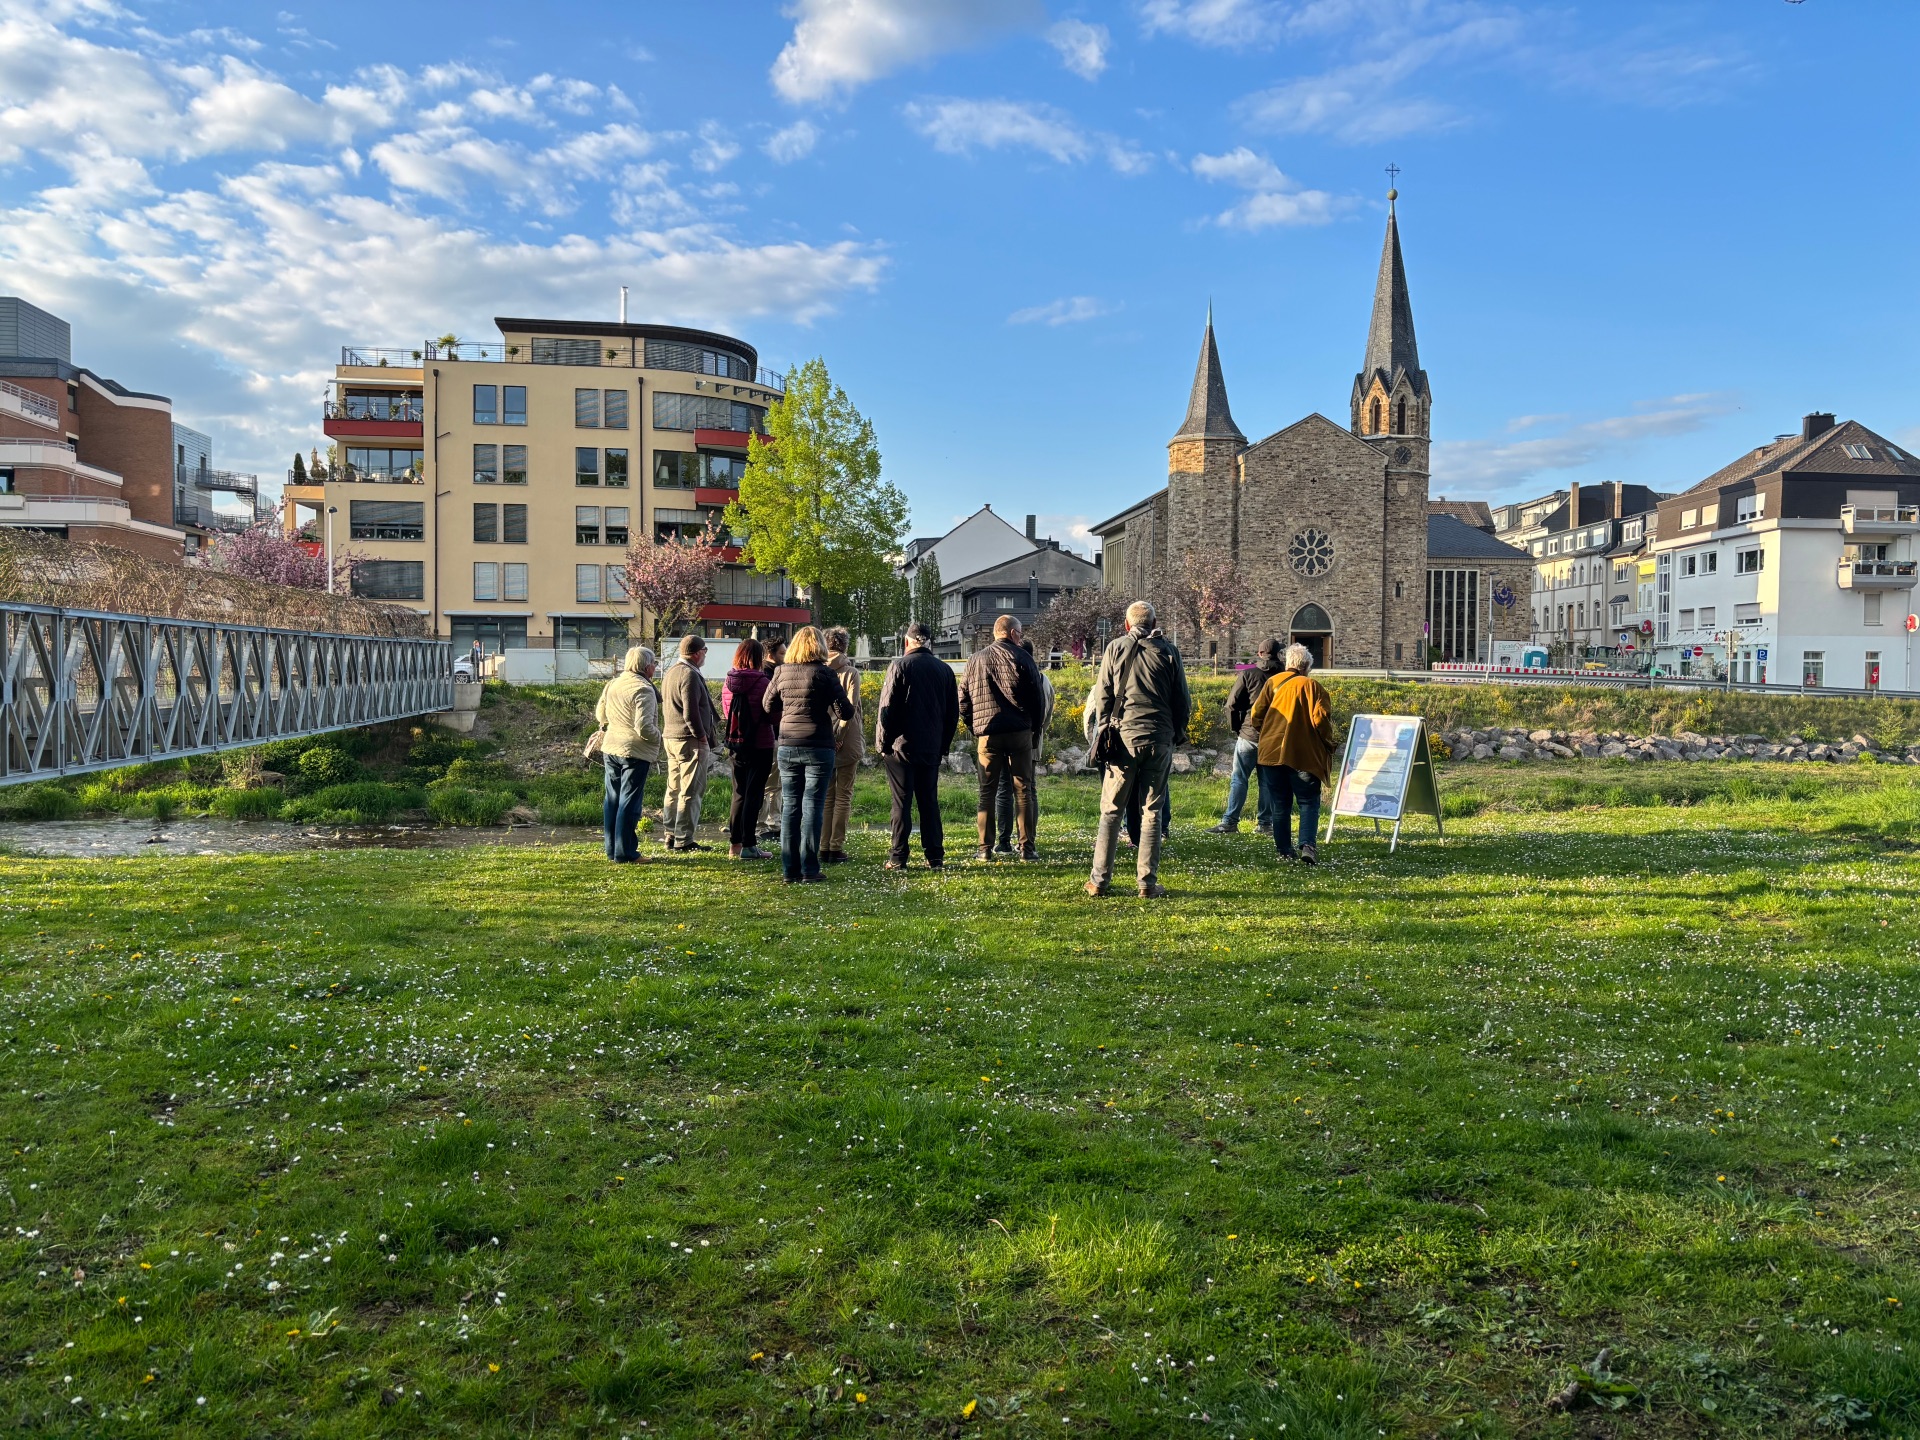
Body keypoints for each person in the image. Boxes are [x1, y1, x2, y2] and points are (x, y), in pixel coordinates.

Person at [1085, 600, 1190, 899]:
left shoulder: (1115, 648)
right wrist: (1175, 734)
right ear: (1156, 621)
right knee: (1152, 812)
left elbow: (1103, 695)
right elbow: (1182, 700)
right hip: (1158, 739)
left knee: (1111, 811)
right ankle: (1147, 882)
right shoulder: (1169, 652)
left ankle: (1099, 881)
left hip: (1123, 739)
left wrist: (1104, 730)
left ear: (1127, 625)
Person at [762, 625, 852, 883]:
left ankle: (789, 870)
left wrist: (788, 709)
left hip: (789, 743)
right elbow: (846, 711)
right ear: (820, 647)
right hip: (819, 745)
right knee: (813, 806)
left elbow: (768, 705)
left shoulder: (780, 671)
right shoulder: (825, 673)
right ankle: (809, 869)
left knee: (790, 806)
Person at [959, 614, 1047, 862]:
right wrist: (1034, 729)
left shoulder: (975, 659)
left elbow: (963, 699)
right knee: (1024, 790)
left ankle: (985, 849)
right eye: (1019, 632)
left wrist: (973, 726)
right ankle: (1027, 849)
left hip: (988, 732)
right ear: (1012, 633)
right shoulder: (1023, 658)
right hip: (1019, 732)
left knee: (987, 791)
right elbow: (1037, 699)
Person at [874, 620, 959, 870]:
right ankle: (935, 856)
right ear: (929, 642)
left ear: (907, 642)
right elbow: (952, 714)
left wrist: (883, 743)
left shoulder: (899, 665)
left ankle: (898, 857)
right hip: (930, 745)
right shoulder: (944, 670)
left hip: (901, 747)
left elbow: (886, 710)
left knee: (901, 803)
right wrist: (943, 745)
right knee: (928, 802)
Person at [1249, 642, 1336, 865]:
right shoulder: (1313, 687)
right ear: (1306, 666)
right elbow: (1321, 720)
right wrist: (1329, 743)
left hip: (1271, 753)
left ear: (1289, 664)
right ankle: (1307, 845)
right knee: (1308, 801)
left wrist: (1269, 732)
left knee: (1280, 803)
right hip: (1303, 754)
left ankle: (1284, 851)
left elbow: (1256, 715)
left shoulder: (1272, 683)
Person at [1208, 638, 1285, 835]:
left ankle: (1230, 821)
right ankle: (1265, 824)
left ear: (1259, 654)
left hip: (1249, 734)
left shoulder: (1248, 674)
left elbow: (1231, 705)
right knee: (1266, 782)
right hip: (1275, 736)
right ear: (1278, 654)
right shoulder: (1284, 676)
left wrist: (1237, 728)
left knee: (1239, 779)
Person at [593, 645, 659, 864]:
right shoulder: (644, 689)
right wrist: (660, 737)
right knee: (630, 803)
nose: (655, 667)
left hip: (611, 747)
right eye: (654, 663)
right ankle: (627, 852)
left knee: (612, 800)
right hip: (635, 750)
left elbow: (600, 714)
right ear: (646, 666)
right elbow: (644, 727)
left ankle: (612, 850)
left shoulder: (613, 683)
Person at [991, 638, 1055, 855]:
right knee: (1029, 789)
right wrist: (1038, 732)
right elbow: (1048, 714)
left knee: (1005, 789)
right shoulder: (1045, 680)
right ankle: (1027, 840)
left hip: (1014, 738)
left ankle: (1004, 840)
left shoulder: (1017, 676)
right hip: (1034, 741)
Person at [658, 633, 718, 852]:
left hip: (671, 737)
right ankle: (684, 839)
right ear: (696, 653)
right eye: (704, 651)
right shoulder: (690, 674)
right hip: (689, 739)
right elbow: (691, 712)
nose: (705, 656)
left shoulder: (671, 672)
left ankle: (670, 834)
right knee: (691, 791)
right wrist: (702, 736)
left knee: (674, 789)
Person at [721, 638, 775, 861]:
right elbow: (772, 714)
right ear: (758, 658)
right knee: (755, 794)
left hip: (736, 744)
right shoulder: (764, 683)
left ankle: (735, 844)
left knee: (739, 793)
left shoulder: (727, 683)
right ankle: (750, 846)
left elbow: (727, 713)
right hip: (761, 743)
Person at [820, 626, 866, 864]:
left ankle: (823, 844)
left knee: (827, 796)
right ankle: (835, 846)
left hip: (822, 738)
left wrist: (830, 736)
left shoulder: (817, 669)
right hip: (845, 740)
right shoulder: (850, 672)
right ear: (845, 646)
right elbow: (850, 708)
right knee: (844, 795)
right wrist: (838, 736)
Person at [756, 637, 788, 844]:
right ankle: (772, 823)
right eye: (782, 654)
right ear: (770, 654)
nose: (785, 658)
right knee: (773, 784)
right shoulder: (772, 675)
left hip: (764, 736)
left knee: (769, 783)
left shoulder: (761, 673)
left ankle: (766, 822)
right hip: (774, 734)